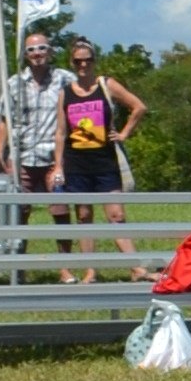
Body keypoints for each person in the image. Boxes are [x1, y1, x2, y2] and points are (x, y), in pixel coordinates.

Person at [51, 35, 140, 266]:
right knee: (84, 217)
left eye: (87, 60)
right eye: (78, 61)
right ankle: (90, 270)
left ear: (94, 61)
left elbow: (138, 107)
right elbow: (60, 132)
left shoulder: (106, 85)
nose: (83, 65)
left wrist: (124, 133)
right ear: (71, 63)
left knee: (116, 216)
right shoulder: (65, 93)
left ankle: (136, 267)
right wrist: (58, 165)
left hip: (105, 161)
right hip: (76, 163)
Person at [0, 26, 67, 210]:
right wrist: (0, 155)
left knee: (60, 208)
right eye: (31, 50)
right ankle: (19, 240)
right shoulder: (14, 83)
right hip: (22, 158)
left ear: (50, 51)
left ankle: (65, 240)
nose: (37, 53)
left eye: (42, 48)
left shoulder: (64, 80)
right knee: (19, 211)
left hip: (54, 158)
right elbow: (5, 122)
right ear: (25, 55)